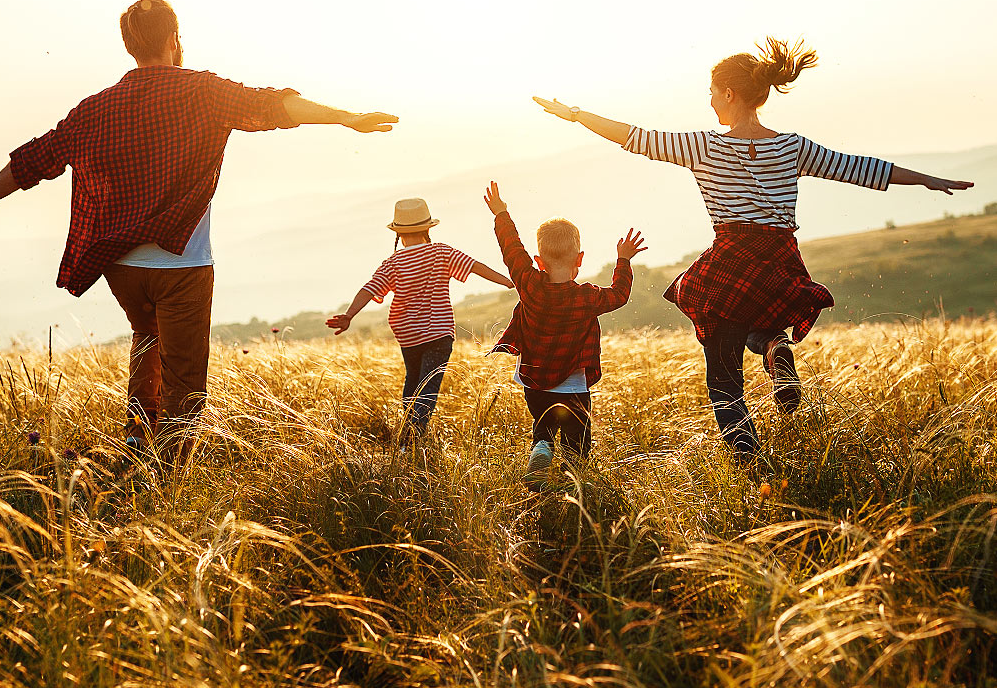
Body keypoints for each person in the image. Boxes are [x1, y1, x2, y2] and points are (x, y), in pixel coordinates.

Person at [0, 0, 398, 464]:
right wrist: (346, 118)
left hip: (121, 267)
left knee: (146, 337)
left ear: (130, 47)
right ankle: (168, 470)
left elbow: (34, 160)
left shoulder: (96, 108)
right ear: (174, 39)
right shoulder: (203, 92)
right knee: (186, 376)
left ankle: (137, 438)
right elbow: (274, 106)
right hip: (183, 265)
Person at [534, 37, 973, 464]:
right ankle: (772, 347)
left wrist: (574, 115)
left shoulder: (703, 145)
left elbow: (633, 136)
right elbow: (860, 168)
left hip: (731, 257)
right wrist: (928, 180)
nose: (709, 102)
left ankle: (751, 465)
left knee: (723, 378)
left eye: (711, 93)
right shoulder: (791, 146)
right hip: (781, 259)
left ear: (728, 92)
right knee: (756, 321)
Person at [482, 181, 646, 490]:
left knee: (543, 423)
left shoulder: (529, 283)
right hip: (573, 384)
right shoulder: (587, 297)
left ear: (538, 261)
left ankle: (542, 446)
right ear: (580, 259)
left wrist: (501, 214)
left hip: (534, 380)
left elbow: (512, 249)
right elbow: (620, 294)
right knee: (577, 439)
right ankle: (574, 483)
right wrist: (623, 260)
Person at [327, 198, 514, 447]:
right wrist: (507, 281)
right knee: (428, 387)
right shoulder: (441, 252)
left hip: (408, 335)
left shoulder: (392, 263)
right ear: (428, 228)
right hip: (439, 333)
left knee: (413, 383)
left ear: (398, 234)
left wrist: (349, 315)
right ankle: (411, 439)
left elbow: (369, 289)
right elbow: (475, 267)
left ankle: (406, 438)